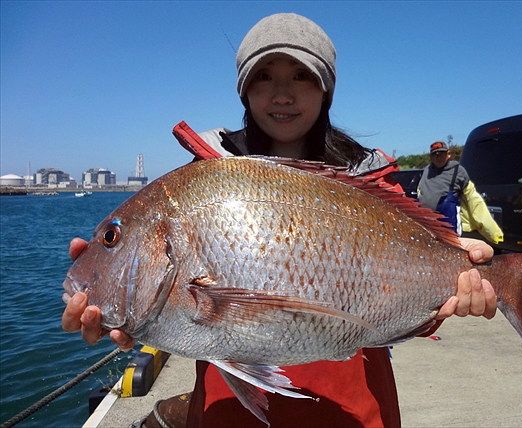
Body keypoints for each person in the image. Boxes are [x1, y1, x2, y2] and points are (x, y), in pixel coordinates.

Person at [62, 13, 498, 428]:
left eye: (302, 76)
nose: (282, 94)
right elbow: (187, 319)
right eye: (264, 77)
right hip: (228, 414)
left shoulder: (373, 187)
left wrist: (458, 290)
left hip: (353, 412)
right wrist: (116, 309)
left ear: (325, 89)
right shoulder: (201, 181)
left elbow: (404, 297)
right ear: (244, 90)